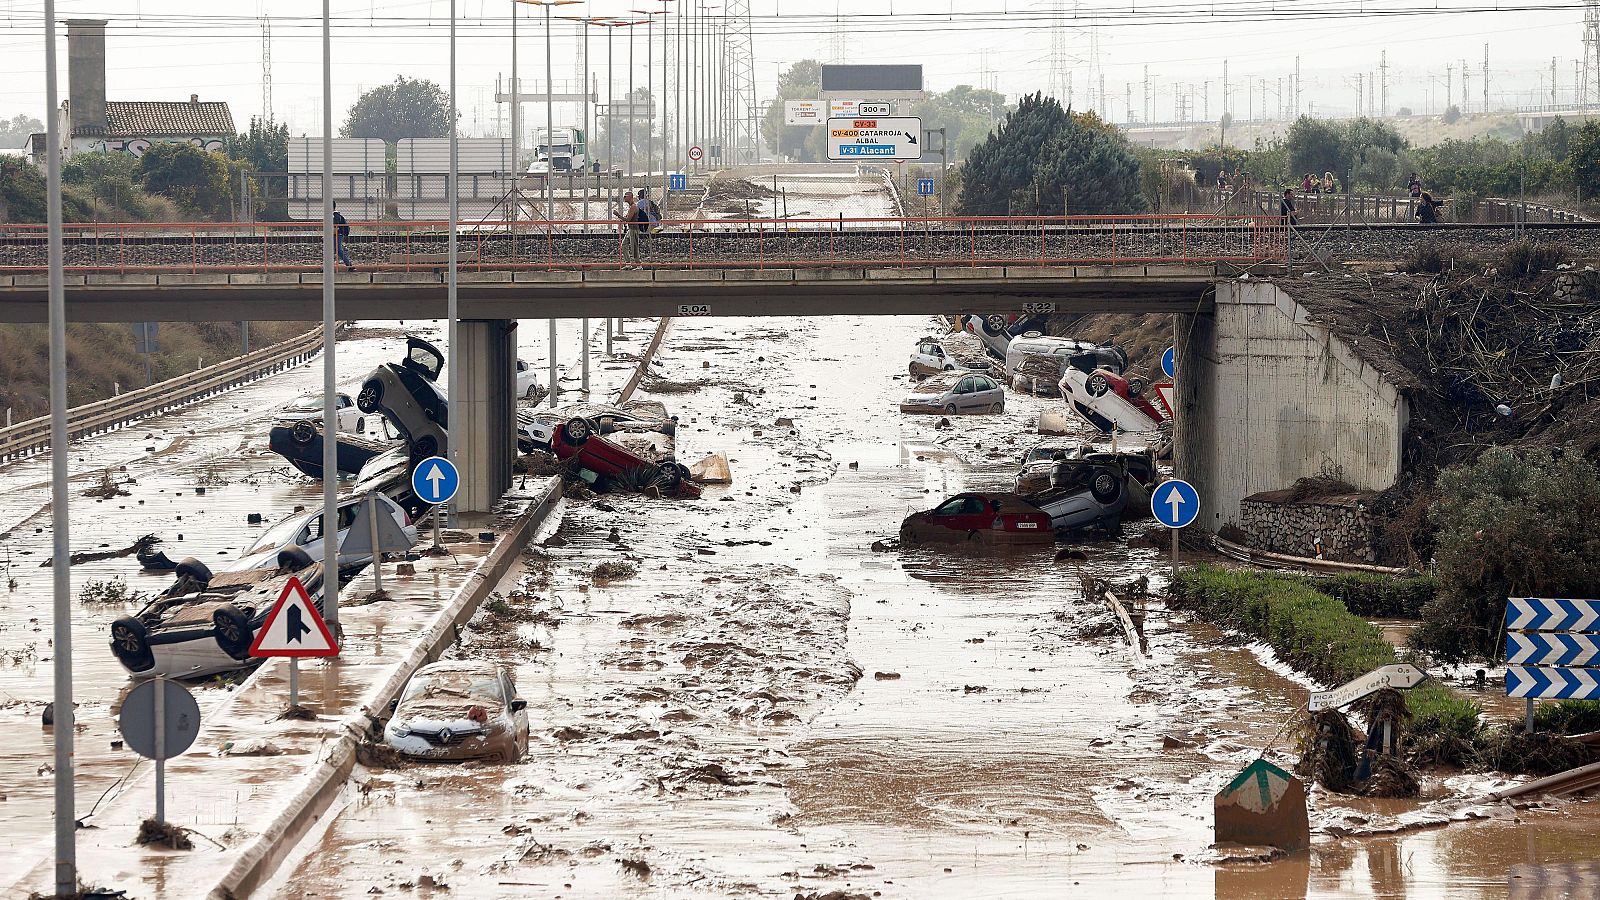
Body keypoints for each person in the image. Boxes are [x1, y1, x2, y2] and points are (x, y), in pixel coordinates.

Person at [617, 190, 641, 264]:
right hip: (630, 229)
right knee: (624, 246)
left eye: (625, 196)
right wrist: (622, 219)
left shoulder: (633, 207)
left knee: (634, 249)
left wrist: (618, 215)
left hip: (634, 229)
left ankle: (639, 265)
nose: (624, 198)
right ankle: (628, 263)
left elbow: (628, 219)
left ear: (630, 197)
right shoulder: (631, 207)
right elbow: (628, 218)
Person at [332, 202, 355, 271]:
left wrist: (327, 236)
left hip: (337, 235)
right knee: (336, 251)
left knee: (337, 250)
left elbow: (336, 228)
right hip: (337, 235)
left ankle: (349, 266)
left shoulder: (335, 216)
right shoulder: (335, 215)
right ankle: (349, 266)